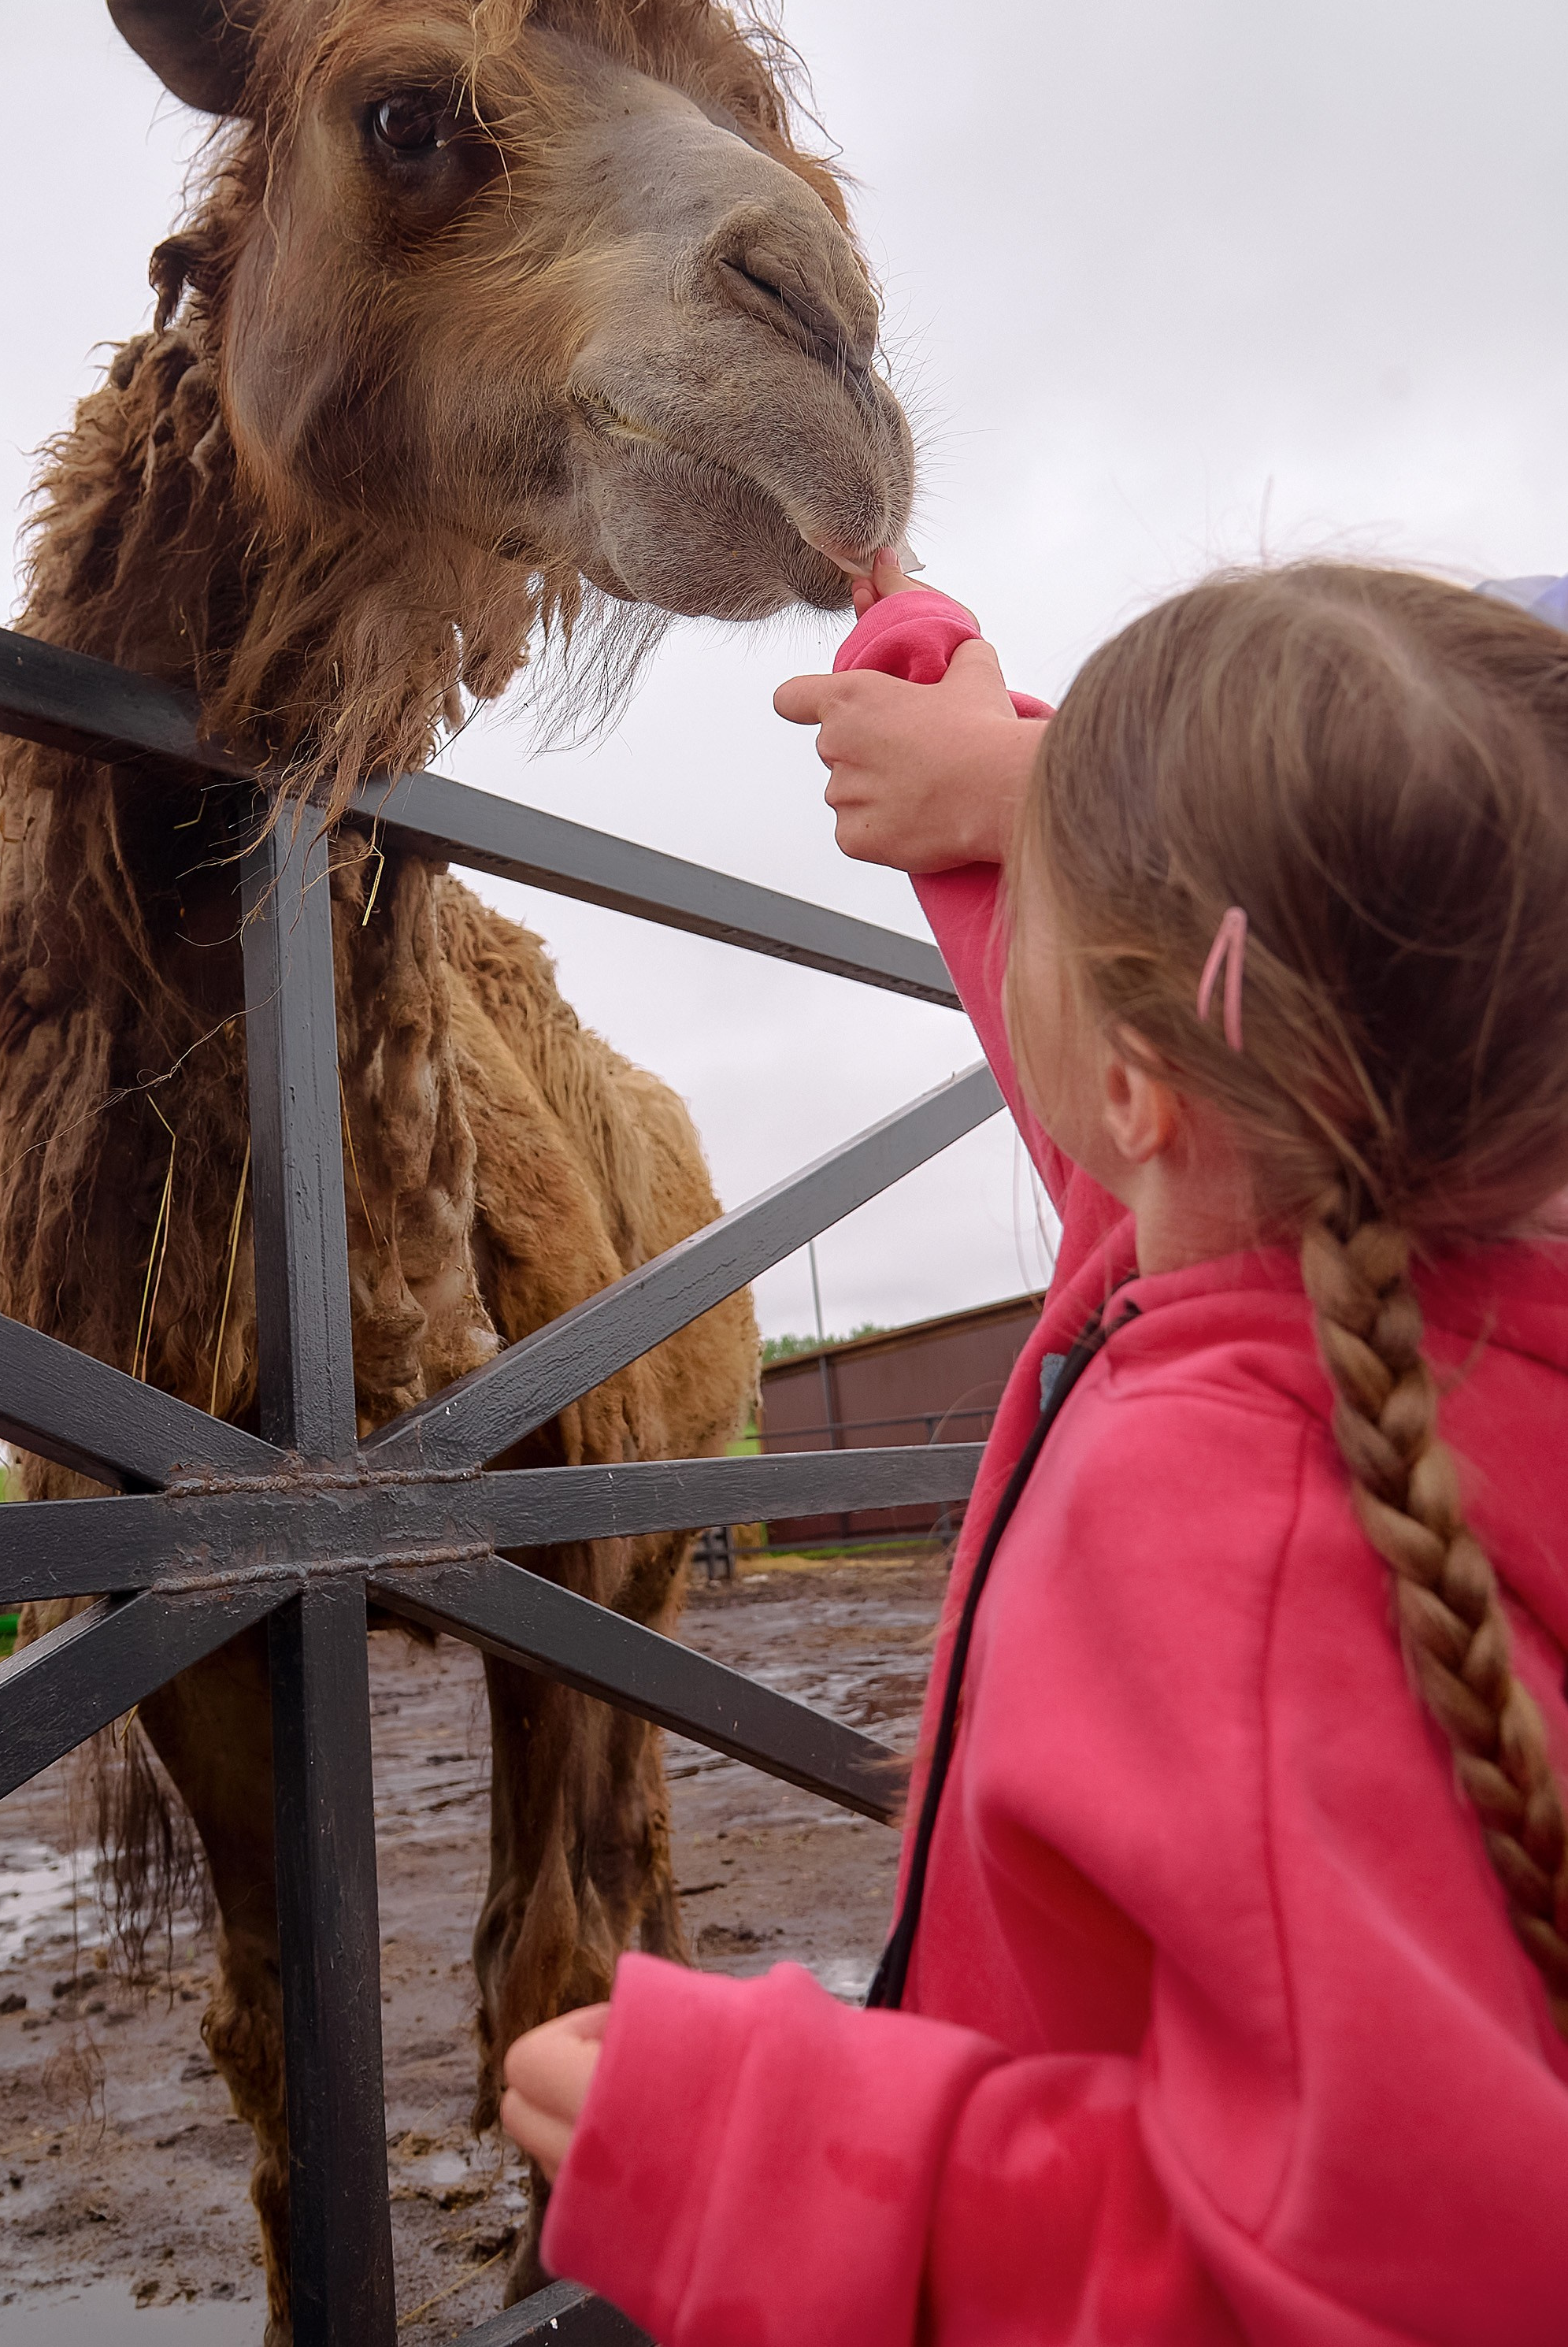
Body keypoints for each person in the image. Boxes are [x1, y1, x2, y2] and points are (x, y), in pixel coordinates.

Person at [499, 552, 1568, 2345]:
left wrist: (774, 2149)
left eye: (1040, 865)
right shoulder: (1396, 1286)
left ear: (1139, 1085)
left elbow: (1383, 2277)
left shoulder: (1221, 1549)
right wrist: (935, 678)